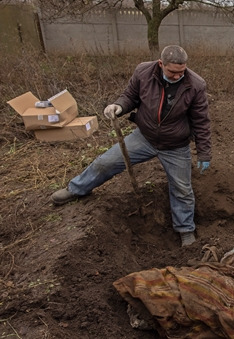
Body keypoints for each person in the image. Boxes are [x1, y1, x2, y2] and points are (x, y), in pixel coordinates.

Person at [51, 45, 212, 247]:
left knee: (182, 189)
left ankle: (185, 230)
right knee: (106, 162)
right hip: (144, 137)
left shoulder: (195, 85)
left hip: (175, 145)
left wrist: (204, 153)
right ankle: (76, 189)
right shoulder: (144, 72)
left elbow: (201, 121)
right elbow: (130, 96)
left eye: (182, 72)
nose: (177, 76)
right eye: (172, 72)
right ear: (161, 64)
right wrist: (119, 106)